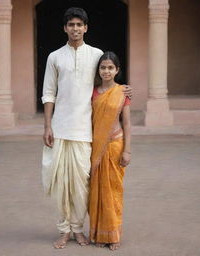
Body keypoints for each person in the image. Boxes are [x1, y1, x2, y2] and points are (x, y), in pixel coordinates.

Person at [41, 7, 132, 249]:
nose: (75, 28)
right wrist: (47, 125)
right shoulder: (54, 57)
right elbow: (49, 92)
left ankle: (78, 229)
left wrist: (123, 90)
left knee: (82, 186)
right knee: (62, 185)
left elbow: (107, 81)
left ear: (86, 28)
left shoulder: (96, 54)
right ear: (65, 28)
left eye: (79, 24)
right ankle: (63, 230)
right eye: (71, 24)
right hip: (60, 128)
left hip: (85, 132)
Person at [89, 51, 131, 251]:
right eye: (103, 67)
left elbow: (127, 123)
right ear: (98, 70)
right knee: (96, 192)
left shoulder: (122, 92)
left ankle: (113, 235)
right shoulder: (92, 92)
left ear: (117, 70)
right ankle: (99, 233)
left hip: (115, 145)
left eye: (110, 67)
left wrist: (127, 151)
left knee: (113, 191)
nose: (106, 71)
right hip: (95, 147)